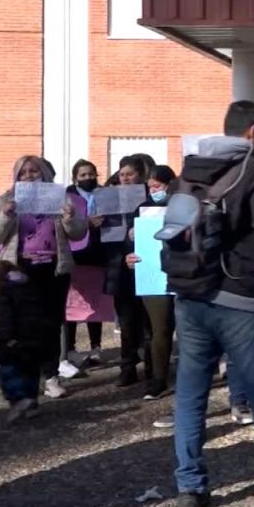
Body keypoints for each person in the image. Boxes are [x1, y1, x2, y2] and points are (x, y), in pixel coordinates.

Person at [164, 101, 254, 507]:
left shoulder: (189, 168)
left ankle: (190, 488)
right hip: (240, 294)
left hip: (190, 294)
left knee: (191, 393)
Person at [0, 156, 87, 400]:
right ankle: (24, 378)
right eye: (24, 172)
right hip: (21, 269)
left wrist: (70, 219)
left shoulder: (61, 198)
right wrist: (6, 216)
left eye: (35, 171)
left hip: (53, 268)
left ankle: (51, 376)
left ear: (44, 174)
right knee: (23, 324)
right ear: (17, 176)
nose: (30, 175)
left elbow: (78, 233)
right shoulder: (7, 199)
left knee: (51, 323)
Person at [0, 242, 49, 424]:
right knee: (31, 368)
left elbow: (4, 319)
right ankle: (32, 401)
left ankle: (18, 399)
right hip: (37, 336)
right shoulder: (27, 285)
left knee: (10, 367)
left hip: (17, 337)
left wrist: (7, 340)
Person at [108, 156, 153, 389]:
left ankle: (152, 368)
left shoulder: (151, 197)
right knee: (126, 322)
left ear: (141, 176)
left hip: (145, 263)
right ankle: (127, 368)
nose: (125, 178)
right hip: (119, 267)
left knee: (148, 322)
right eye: (122, 174)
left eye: (130, 174)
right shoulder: (108, 195)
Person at [64, 159, 107, 371]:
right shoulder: (67, 196)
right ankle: (70, 347)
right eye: (83, 175)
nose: (88, 178)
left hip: (98, 254)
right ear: (75, 178)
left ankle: (96, 346)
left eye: (91, 174)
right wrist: (85, 223)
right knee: (73, 303)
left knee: (95, 301)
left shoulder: (105, 193)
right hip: (75, 254)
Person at [143, 166, 178, 400]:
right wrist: (130, 250)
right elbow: (135, 244)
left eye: (158, 186)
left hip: (183, 273)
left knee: (187, 330)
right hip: (153, 275)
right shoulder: (144, 210)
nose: (154, 191)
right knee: (160, 329)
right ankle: (158, 378)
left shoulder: (186, 206)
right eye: (150, 187)